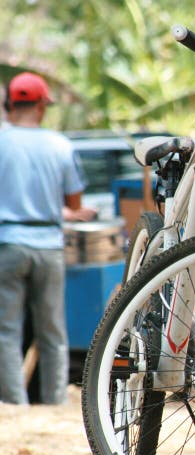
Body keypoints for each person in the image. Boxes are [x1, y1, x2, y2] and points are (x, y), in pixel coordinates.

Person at [0, 72, 90, 404]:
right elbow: (75, 204)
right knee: (52, 332)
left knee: (6, 331)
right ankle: (54, 402)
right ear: (40, 106)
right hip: (49, 245)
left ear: (11, 104)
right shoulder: (60, 145)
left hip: (7, 244)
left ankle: (14, 404)